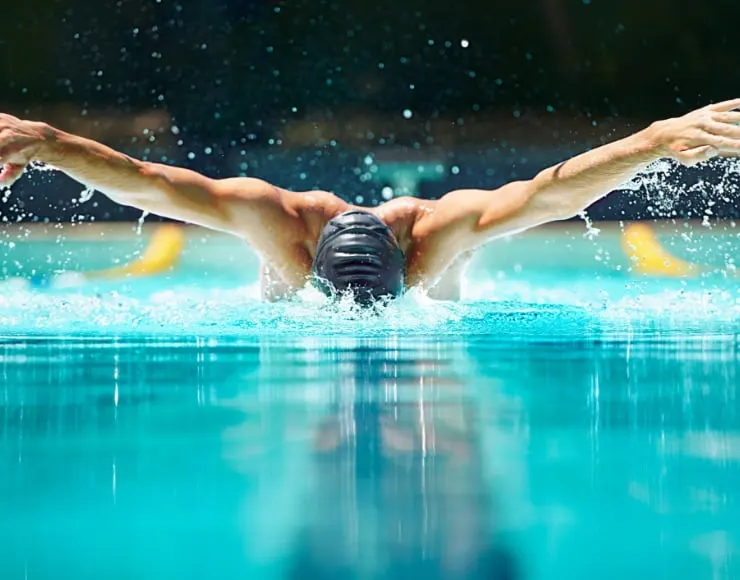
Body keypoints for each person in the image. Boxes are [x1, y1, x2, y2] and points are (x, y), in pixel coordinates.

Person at [1, 99, 740, 303]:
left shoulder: (440, 232)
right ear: (306, 260)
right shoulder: (278, 221)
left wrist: (653, 140)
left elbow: (548, 193)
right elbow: (149, 179)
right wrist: (45, 140)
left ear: (407, 263)